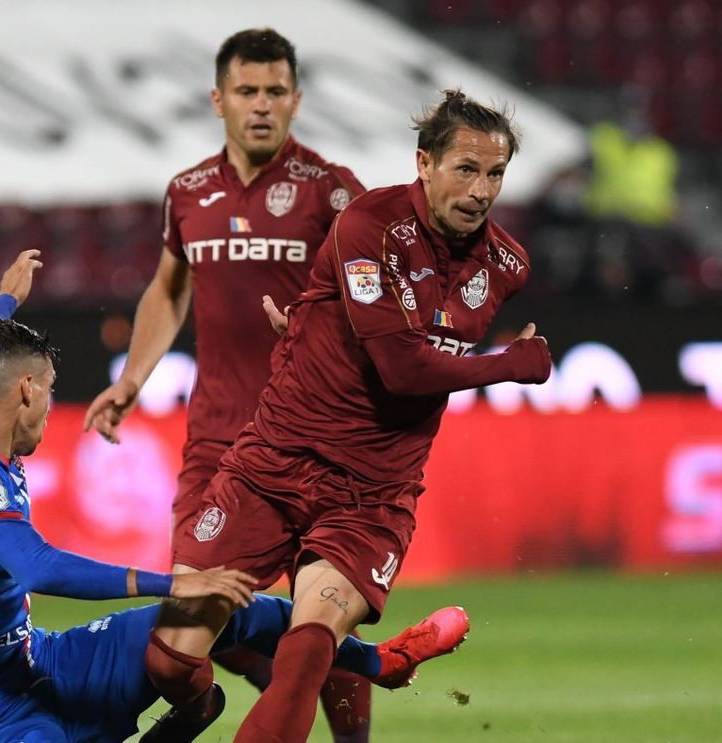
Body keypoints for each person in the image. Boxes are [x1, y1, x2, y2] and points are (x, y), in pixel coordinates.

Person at [0, 250, 470, 743]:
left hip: (40, 661)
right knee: (193, 596)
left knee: (225, 611)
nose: (48, 408)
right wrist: (175, 581)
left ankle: (382, 662)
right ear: (25, 389)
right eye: (49, 391)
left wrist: (5, 300)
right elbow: (36, 566)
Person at [143, 90, 552, 743]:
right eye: (466, 169)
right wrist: (511, 362)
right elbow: (403, 367)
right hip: (272, 466)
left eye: (496, 174)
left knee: (309, 647)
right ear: (424, 162)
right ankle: (203, 708)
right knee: (168, 658)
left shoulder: (506, 265)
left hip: (371, 494)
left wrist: (306, 323)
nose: (481, 190)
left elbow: (411, 333)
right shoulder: (369, 223)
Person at [82, 27, 375, 741]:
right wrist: (132, 378)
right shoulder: (187, 193)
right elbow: (167, 289)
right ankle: (248, 697)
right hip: (218, 445)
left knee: (318, 615)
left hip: (318, 446)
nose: (263, 105)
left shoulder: (333, 192)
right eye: (248, 91)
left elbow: (378, 302)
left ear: (297, 99)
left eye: (276, 91)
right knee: (188, 624)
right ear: (219, 99)